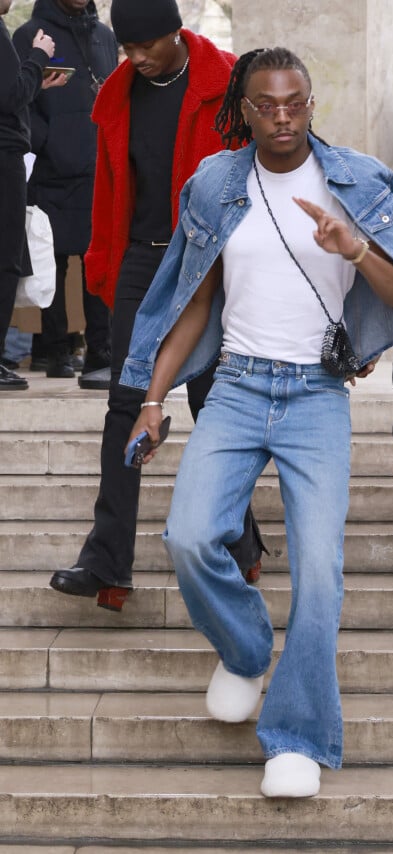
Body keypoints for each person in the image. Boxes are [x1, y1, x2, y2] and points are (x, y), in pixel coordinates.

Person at [120, 47, 393, 798]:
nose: (282, 116)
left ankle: (297, 735)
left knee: (320, 573)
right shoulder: (216, 183)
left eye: (295, 102)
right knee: (188, 535)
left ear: (311, 102)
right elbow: (192, 301)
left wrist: (357, 248)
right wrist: (153, 400)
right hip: (239, 389)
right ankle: (248, 650)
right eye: (265, 104)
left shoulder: (359, 181)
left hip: (317, 395)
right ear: (243, 108)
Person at [49, 0, 264, 611]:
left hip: (209, 257)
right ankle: (106, 561)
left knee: (209, 400)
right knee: (126, 400)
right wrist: (105, 261)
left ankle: (241, 545)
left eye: (147, 47)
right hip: (143, 259)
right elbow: (112, 186)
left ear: (177, 33)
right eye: (127, 48)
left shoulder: (229, 82)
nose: (137, 59)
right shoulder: (119, 91)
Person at [12, 0, 116, 381]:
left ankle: (100, 351)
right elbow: (20, 99)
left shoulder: (105, 35)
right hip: (51, 169)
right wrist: (48, 141)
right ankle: (54, 352)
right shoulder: (29, 35)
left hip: (98, 172)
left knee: (98, 261)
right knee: (49, 262)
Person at [0, 0, 64, 390]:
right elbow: (10, 97)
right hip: (4, 156)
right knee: (6, 260)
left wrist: (35, 80)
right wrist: (38, 56)